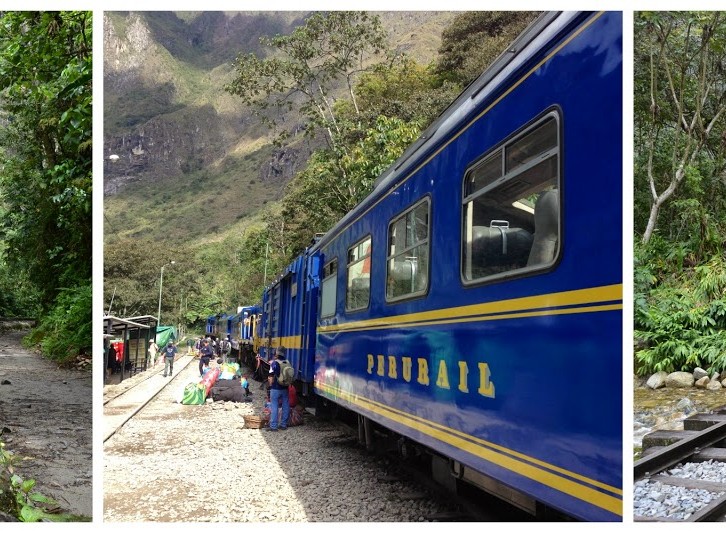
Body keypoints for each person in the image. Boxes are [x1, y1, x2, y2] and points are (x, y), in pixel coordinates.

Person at [267, 346, 290, 431]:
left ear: (277, 353)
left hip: (276, 388)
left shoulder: (274, 363)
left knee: (274, 405)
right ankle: (284, 425)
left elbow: (271, 376)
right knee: (285, 405)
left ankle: (273, 426)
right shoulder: (287, 362)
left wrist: (270, 386)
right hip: (285, 388)